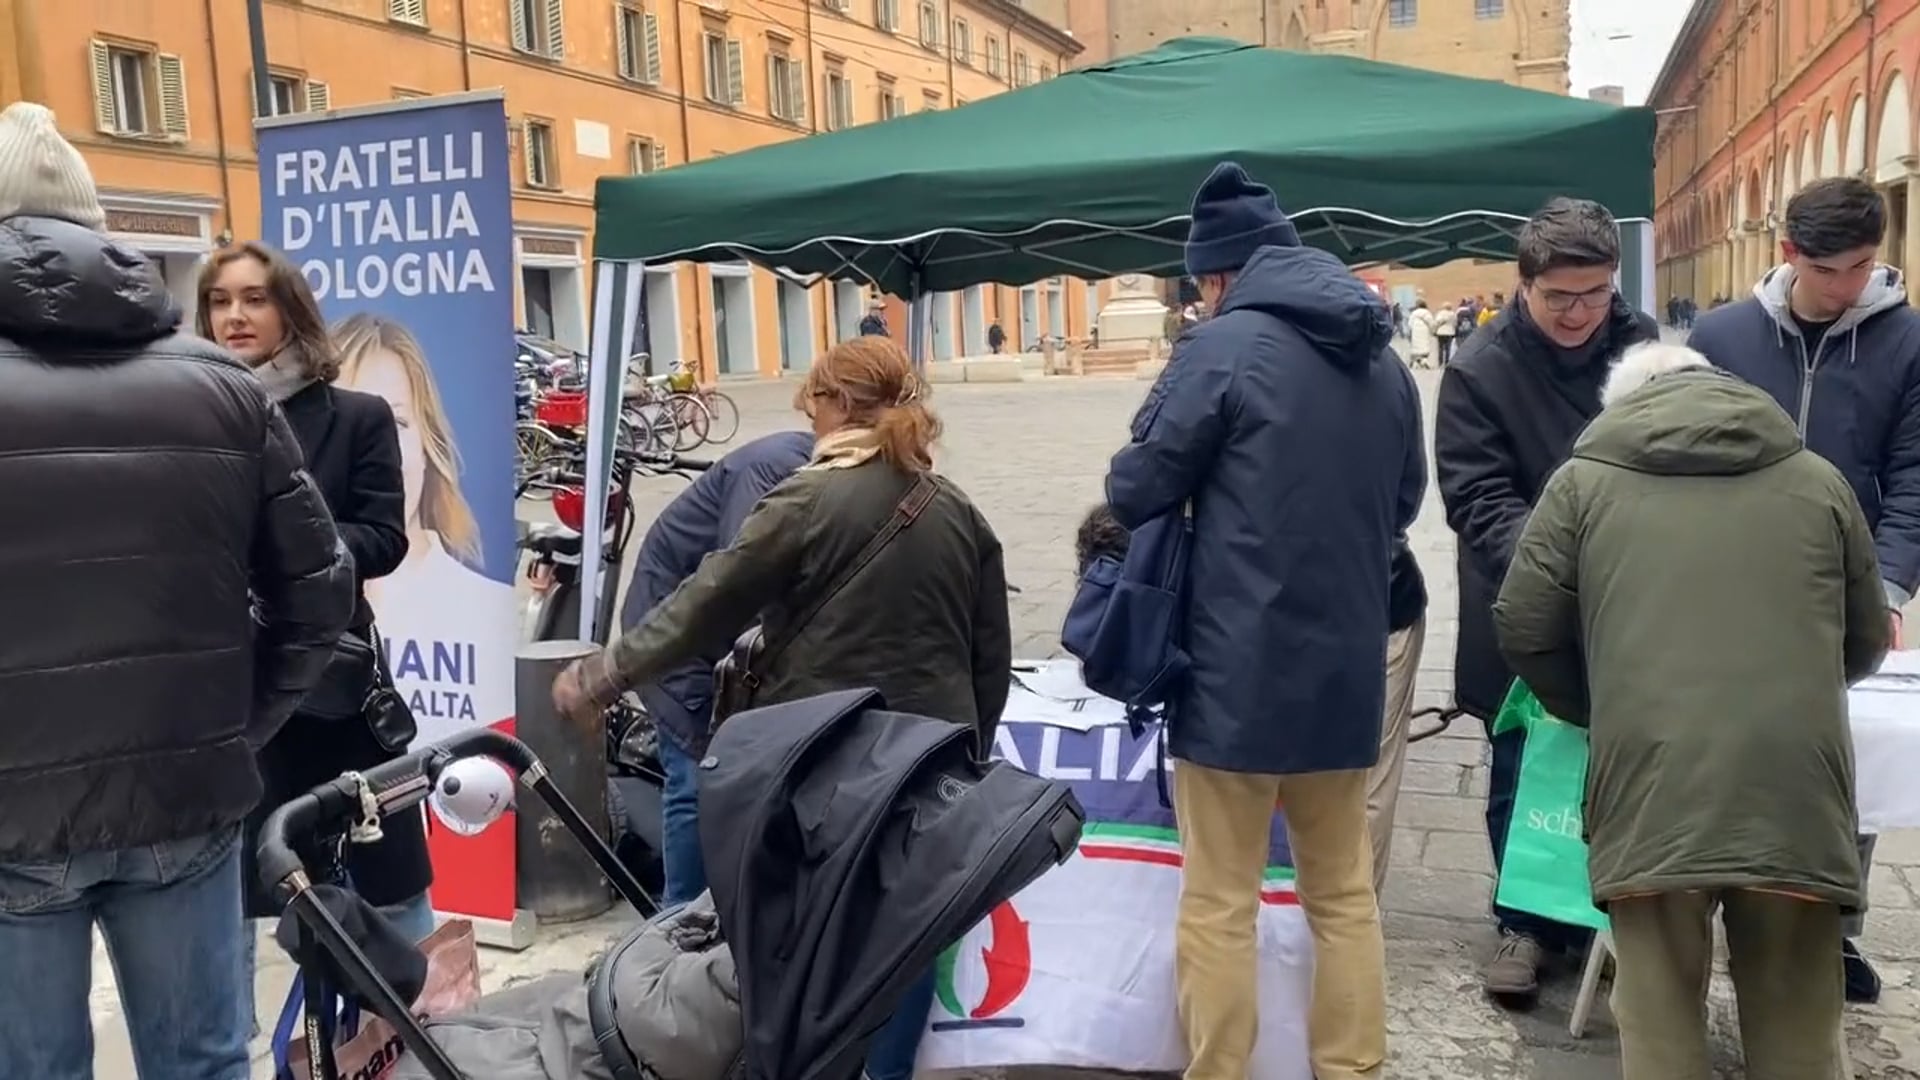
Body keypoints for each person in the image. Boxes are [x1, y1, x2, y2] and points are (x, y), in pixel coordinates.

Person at [0, 102, 355, 1080]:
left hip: (13, 816)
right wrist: (235, 726)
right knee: (203, 1065)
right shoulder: (222, 387)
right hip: (184, 797)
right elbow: (319, 596)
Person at [550, 334, 1011, 1080]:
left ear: (834, 405)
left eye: (813, 402)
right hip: (931, 763)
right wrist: (971, 752)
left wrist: (605, 675)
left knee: (807, 938)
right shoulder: (956, 508)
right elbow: (990, 658)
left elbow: (703, 606)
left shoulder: (807, 496)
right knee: (908, 932)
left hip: (828, 765)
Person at [1103, 161, 1424, 1080]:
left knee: (1219, 899)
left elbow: (1136, 487)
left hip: (1233, 669)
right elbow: (1403, 500)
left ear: (1214, 276)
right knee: (1343, 894)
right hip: (1345, 669)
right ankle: (1352, 1070)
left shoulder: (1218, 347)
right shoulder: (1381, 353)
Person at [1493, 342, 1887, 1080]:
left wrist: (1598, 706)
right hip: (1792, 786)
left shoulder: (1582, 483)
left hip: (1649, 778)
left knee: (1658, 1009)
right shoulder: (1818, 480)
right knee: (1799, 1009)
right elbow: (1865, 637)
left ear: (1625, 408)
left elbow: (1522, 625)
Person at [1687, 175, 1920, 1002]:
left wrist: (1888, 587)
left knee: (1842, 767)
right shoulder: (1719, 338)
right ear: (1790, 255)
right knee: (1727, 756)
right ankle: (1722, 908)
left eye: (1864, 267)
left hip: (1843, 592)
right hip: (1726, 589)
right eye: (1831, 270)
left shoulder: (1905, 340)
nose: (1849, 286)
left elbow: (1913, 473)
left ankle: (1834, 930)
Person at [195, 242, 435, 1032]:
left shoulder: (355, 417)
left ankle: (423, 1029)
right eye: (220, 301)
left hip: (336, 685)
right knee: (226, 902)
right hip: (230, 694)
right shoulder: (186, 418)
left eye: (255, 299)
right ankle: (228, 1048)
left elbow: (385, 538)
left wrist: (296, 547)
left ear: (289, 310)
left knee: (391, 882)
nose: (235, 316)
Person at [1434, 196, 1659, 1003]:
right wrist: (1565, 567)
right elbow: (1476, 496)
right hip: (1522, 601)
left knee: (1625, 764)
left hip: (1632, 602)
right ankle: (1522, 921)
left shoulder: (1644, 349)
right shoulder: (1481, 367)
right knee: (1521, 765)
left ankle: (1615, 915)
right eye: (1559, 296)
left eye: (1594, 294)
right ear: (1523, 285)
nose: (1578, 313)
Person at [616, 429, 815, 905]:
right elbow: (741, 582)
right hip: (674, 634)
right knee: (694, 776)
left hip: (720, 638)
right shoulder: (769, 469)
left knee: (730, 775)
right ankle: (675, 920)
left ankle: (729, 909)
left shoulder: (816, 471)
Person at [335, 313, 517, 744]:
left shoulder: (484, 607)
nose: (374, 450)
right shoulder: (279, 603)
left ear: (426, 442)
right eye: (349, 420)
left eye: (393, 423)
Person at [1406, 298, 1436, 368]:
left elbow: (1410, 324)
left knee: (1416, 347)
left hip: (1415, 332)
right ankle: (1423, 360)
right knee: (1424, 347)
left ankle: (1418, 360)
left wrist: (1409, 332)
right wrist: (1433, 331)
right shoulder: (1427, 313)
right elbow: (1431, 323)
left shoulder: (1414, 313)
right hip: (1424, 331)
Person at [1433, 295, 1458, 365]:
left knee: (1440, 348)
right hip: (1450, 332)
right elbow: (1455, 323)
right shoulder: (1453, 314)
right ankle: (1447, 362)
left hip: (1441, 332)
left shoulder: (1440, 313)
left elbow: (1437, 322)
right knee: (1448, 348)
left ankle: (1440, 362)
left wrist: (1434, 329)